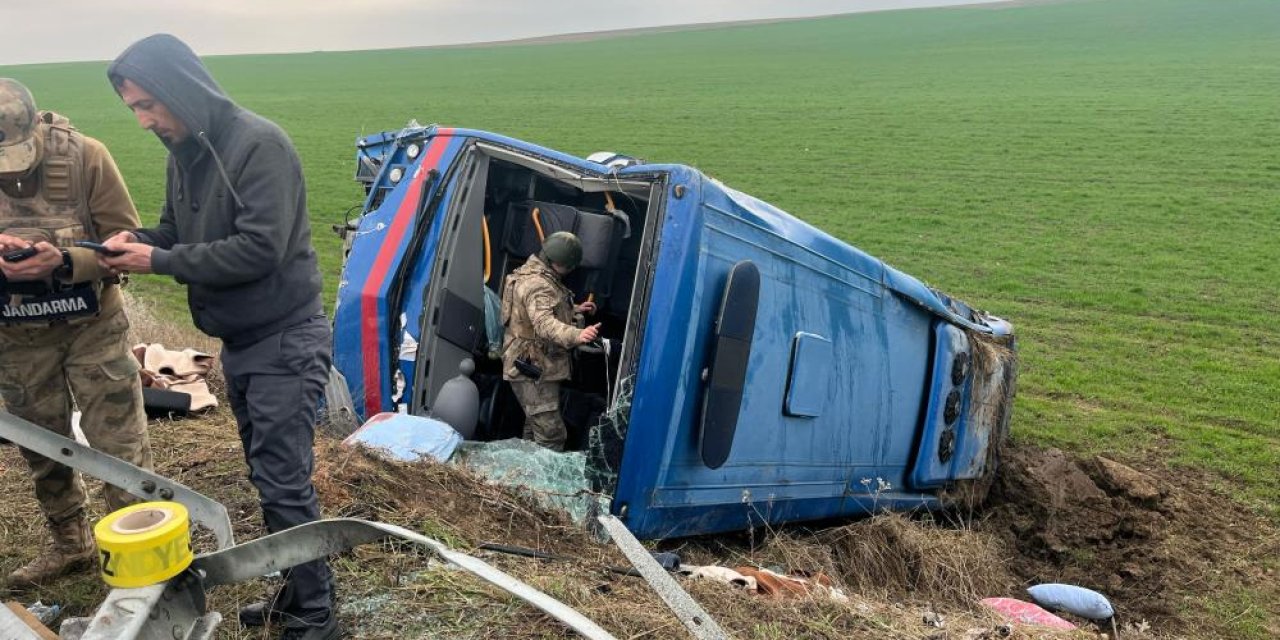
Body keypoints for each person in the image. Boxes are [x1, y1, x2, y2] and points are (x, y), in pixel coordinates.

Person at [101, 35, 338, 640]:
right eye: (134, 109)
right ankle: (294, 591)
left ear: (182, 87)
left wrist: (159, 261)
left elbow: (261, 248)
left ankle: (316, 617)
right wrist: (130, 244)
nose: (145, 120)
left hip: (286, 336)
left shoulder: (259, 145)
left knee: (285, 480)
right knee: (267, 473)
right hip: (243, 342)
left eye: (149, 104)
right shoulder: (184, 150)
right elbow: (174, 233)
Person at [0, 78, 153, 587]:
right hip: (17, 337)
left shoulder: (87, 156)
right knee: (42, 446)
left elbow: (126, 243)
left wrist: (65, 261)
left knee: (120, 442)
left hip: (93, 326)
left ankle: (134, 549)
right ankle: (73, 546)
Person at [500, 231, 601, 451]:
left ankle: (526, 471)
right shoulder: (539, 285)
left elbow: (533, 310)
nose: (571, 270)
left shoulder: (534, 274)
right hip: (533, 368)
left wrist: (573, 309)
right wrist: (578, 335)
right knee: (551, 435)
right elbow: (544, 324)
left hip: (532, 363)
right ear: (555, 262)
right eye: (569, 266)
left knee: (533, 424)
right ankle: (542, 484)